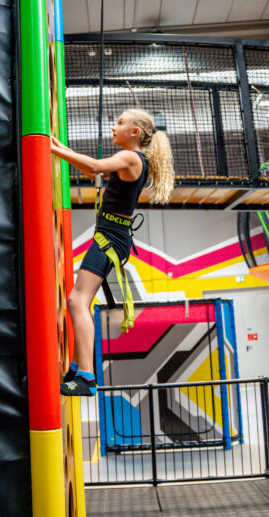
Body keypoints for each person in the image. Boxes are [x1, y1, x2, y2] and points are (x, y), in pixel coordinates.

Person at [51, 109, 175, 396]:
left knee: (76, 300)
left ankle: (86, 377)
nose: (113, 127)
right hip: (112, 236)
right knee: (78, 301)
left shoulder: (132, 158)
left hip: (111, 236)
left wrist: (50, 147)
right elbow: (89, 169)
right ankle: (77, 367)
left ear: (135, 133)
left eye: (120, 123)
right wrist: (57, 147)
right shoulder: (130, 160)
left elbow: (93, 166)